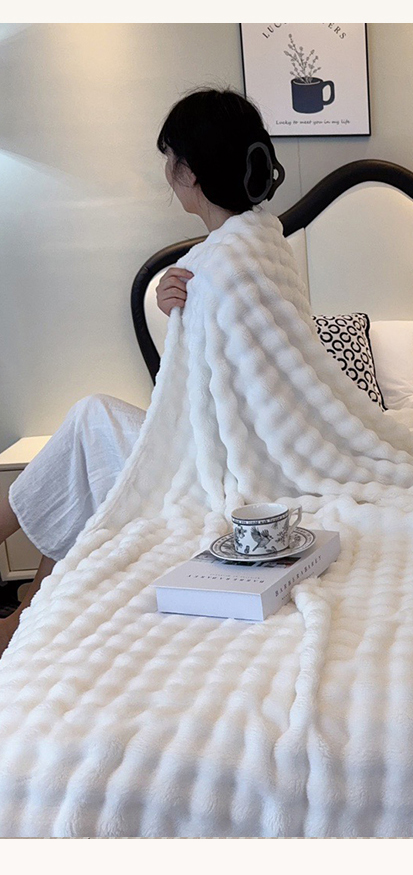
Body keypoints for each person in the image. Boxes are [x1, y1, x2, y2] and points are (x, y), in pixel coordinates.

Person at [0, 87, 284, 655]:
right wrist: (177, 309)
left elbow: (223, 391)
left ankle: (24, 613)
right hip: (226, 449)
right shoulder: (257, 242)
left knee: (90, 421)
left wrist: (189, 309)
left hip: (221, 468)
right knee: (89, 441)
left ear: (189, 171)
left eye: (170, 157)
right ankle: (27, 610)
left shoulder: (221, 262)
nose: (167, 171)